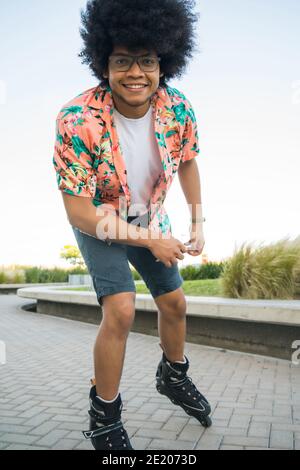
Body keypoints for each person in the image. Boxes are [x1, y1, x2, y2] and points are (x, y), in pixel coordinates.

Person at [52, 0, 211, 451]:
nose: (135, 72)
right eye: (122, 61)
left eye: (147, 60)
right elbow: (79, 212)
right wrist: (151, 241)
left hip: (150, 217)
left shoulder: (178, 108)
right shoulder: (76, 118)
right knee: (121, 308)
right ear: (104, 64)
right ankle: (104, 417)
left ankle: (173, 376)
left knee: (176, 304)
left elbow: (188, 162)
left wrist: (197, 222)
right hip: (99, 222)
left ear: (164, 62)